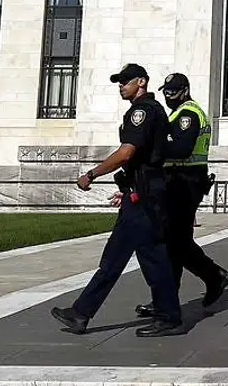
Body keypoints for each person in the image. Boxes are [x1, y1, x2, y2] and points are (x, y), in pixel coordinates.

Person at [50, 63, 183, 337]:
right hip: (142, 192)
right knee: (138, 258)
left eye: (125, 81)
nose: (121, 86)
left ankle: (166, 316)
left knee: (135, 259)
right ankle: (83, 313)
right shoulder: (150, 110)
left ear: (141, 82)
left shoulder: (142, 111)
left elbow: (126, 153)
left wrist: (92, 173)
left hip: (144, 197)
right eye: (119, 82)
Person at [134, 72, 228, 318]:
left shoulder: (188, 114)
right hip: (180, 182)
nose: (168, 96)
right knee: (175, 242)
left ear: (185, 90)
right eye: (165, 91)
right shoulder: (179, 114)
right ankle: (174, 296)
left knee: (172, 242)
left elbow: (181, 148)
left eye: (173, 91)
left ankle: (210, 277)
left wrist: (153, 144)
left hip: (184, 182)